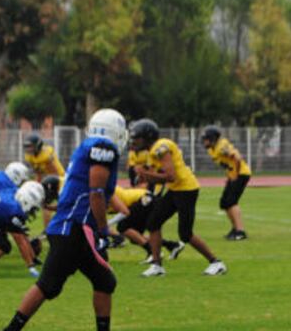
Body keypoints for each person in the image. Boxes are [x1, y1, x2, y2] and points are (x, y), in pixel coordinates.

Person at [0, 108, 137, 331]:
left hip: (74, 226)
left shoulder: (90, 147)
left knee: (104, 280)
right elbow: (96, 192)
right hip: (75, 228)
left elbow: (88, 190)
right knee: (48, 284)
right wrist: (103, 228)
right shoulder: (103, 148)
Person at [132, 118, 227, 277]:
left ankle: (216, 263)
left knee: (185, 234)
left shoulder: (160, 148)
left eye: (138, 137)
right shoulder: (152, 151)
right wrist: (145, 176)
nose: (134, 141)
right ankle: (157, 266)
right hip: (176, 189)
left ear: (147, 137)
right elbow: (159, 176)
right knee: (153, 223)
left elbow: (170, 176)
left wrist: (146, 174)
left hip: (186, 189)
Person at [107, 185, 182, 262]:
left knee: (123, 227)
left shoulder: (105, 191)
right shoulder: (103, 193)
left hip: (144, 199)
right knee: (135, 237)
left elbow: (124, 212)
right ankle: (172, 245)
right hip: (144, 199)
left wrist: (108, 223)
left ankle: (153, 253)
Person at [201, 125, 251, 240]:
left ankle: (240, 231)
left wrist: (236, 174)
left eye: (206, 139)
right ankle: (235, 229)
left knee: (231, 202)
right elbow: (228, 164)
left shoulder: (221, 146)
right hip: (234, 175)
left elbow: (238, 158)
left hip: (241, 173)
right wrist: (230, 175)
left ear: (213, 139)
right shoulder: (211, 149)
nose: (204, 141)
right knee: (224, 203)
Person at [24, 133, 65, 228]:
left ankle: (55, 228)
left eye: (31, 146)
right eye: (27, 147)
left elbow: (54, 173)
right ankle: (48, 229)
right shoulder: (30, 157)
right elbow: (38, 172)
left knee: (58, 205)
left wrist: (44, 186)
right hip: (48, 181)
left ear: (37, 145)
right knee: (45, 205)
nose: (28, 149)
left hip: (58, 180)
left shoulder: (45, 155)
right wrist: (36, 185)